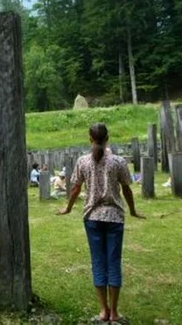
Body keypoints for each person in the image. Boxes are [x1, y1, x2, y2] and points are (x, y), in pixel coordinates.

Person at [57, 123, 145, 324]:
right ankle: (114, 312)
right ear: (108, 138)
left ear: (90, 139)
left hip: (92, 218)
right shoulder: (118, 162)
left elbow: (75, 189)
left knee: (98, 263)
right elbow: (127, 190)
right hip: (114, 217)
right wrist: (132, 210)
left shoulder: (83, 162)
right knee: (113, 262)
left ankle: (103, 311)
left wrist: (68, 208)